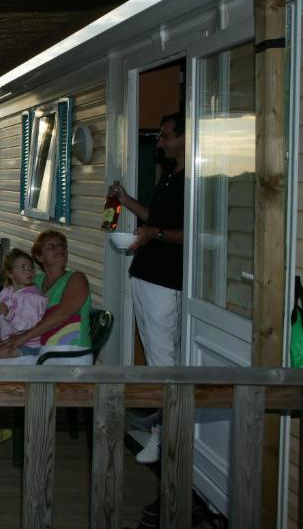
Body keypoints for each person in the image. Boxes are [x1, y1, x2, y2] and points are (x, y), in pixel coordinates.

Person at [108, 110, 185, 464]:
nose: (160, 140)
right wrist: (124, 200)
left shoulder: (195, 181)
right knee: (156, 355)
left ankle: (165, 436)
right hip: (146, 276)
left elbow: (195, 234)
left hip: (166, 281)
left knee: (162, 359)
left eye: (166, 135)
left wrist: (156, 234)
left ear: (185, 137)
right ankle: (161, 422)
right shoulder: (171, 176)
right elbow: (154, 219)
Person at [0, 229, 93, 364]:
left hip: (69, 351)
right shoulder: (34, 281)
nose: (59, 249)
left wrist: (23, 338)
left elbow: (62, 314)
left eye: (62, 245)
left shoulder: (76, 278)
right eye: (51, 246)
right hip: (42, 349)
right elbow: (17, 308)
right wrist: (4, 330)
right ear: (39, 256)